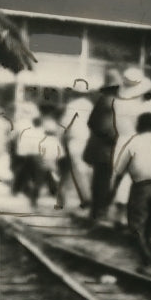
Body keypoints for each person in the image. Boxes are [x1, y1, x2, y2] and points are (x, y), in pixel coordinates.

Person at [111, 111, 151, 272]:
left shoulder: (133, 143)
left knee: (135, 226)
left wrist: (112, 191)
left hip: (140, 187)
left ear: (140, 126)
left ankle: (144, 255)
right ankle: (147, 257)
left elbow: (119, 170)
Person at [85, 69, 121, 222]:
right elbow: (105, 127)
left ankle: (96, 211)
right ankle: (100, 212)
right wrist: (116, 137)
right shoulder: (110, 102)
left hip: (98, 148)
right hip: (106, 149)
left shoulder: (103, 100)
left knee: (99, 180)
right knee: (104, 182)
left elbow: (91, 122)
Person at [57, 79, 94, 210]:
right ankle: (63, 197)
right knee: (76, 169)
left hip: (74, 140)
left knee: (76, 169)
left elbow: (64, 124)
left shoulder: (72, 106)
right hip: (87, 139)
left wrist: (59, 137)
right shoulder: (90, 106)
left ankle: (86, 198)